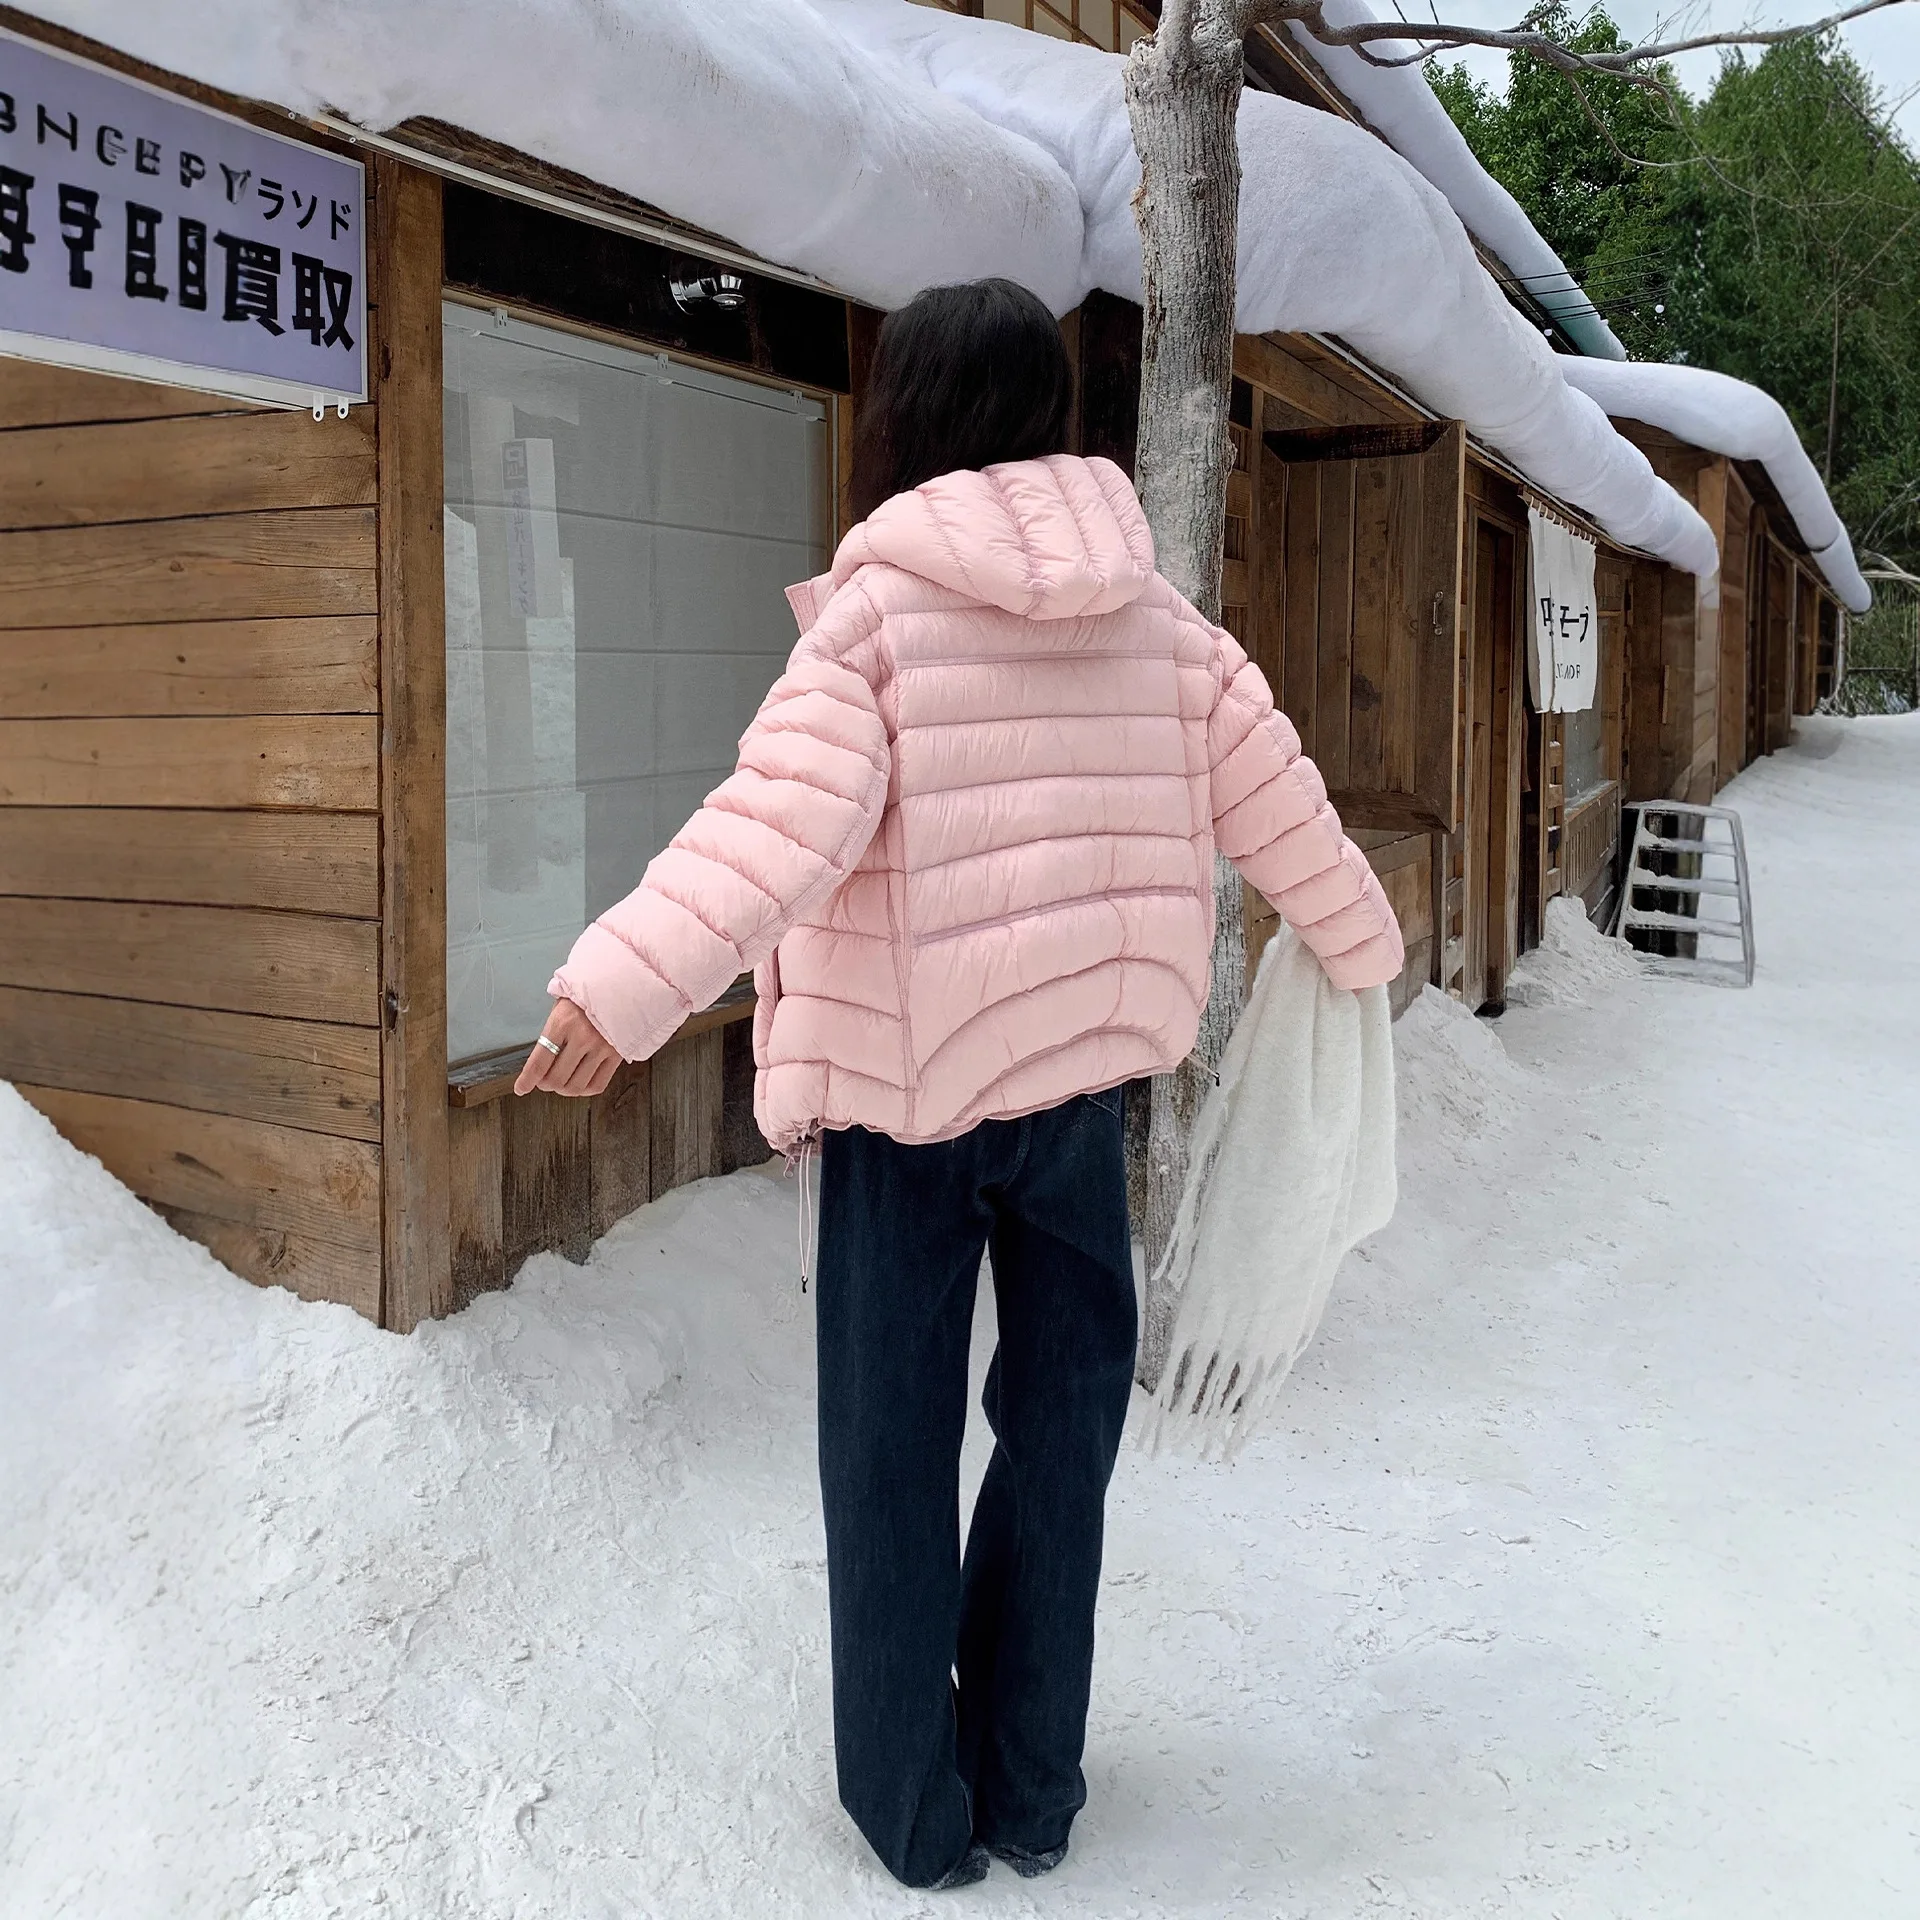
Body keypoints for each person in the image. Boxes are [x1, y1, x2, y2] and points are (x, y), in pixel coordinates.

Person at [516, 278, 1403, 1889]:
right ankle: (1031, 1789)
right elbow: (1296, 821)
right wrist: (1365, 948)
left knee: (889, 1455)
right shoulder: (1171, 630)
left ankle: (917, 1815)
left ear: (908, 421)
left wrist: (611, 993)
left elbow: (760, 837)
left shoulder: (877, 623)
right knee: (1061, 1440)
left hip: (901, 1112)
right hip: (1078, 1113)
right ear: (1050, 422)